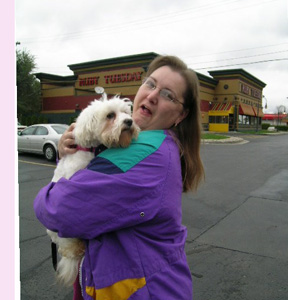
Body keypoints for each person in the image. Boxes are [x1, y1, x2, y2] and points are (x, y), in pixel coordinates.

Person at [34, 55, 205, 300]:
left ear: (181, 115)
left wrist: (45, 193)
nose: (153, 95)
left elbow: (56, 209)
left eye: (168, 95)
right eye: (150, 83)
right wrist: (70, 153)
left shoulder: (145, 152)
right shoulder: (153, 146)